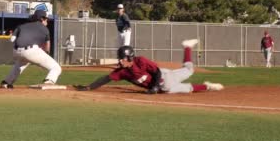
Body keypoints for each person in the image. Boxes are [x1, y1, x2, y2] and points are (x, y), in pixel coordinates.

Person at [75, 39, 223, 94]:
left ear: (129, 57)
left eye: (122, 59)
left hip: (164, 78)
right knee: (187, 88)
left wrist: (155, 87)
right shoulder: (122, 72)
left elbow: (157, 71)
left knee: (189, 71)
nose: (119, 62)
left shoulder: (141, 61)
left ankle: (187, 47)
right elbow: (105, 79)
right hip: (163, 88)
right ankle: (208, 86)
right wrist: (89, 87)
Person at [0, 9, 62, 88]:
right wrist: (45, 58)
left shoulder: (22, 26)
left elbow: (12, 39)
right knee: (56, 68)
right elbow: (47, 46)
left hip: (16, 51)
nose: (47, 21)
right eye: (46, 19)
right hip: (31, 51)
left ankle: (6, 82)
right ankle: (48, 81)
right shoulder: (45, 29)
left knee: (21, 64)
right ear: (42, 19)